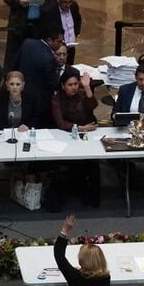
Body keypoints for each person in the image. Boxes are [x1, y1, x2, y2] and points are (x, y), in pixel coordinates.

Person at [0, 70, 43, 210]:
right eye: (11, 84)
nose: (14, 87)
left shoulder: (31, 97)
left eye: (18, 84)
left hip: (22, 137)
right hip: (1, 137)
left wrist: (28, 125)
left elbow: (37, 115)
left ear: (23, 85)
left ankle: (30, 193)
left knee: (33, 155)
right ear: (6, 85)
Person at [50, 68, 101, 208]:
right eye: (70, 85)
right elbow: (61, 123)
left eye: (76, 84)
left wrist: (87, 87)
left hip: (88, 135)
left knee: (93, 163)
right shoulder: (56, 98)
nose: (74, 87)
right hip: (67, 135)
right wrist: (81, 128)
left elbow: (93, 106)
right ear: (63, 86)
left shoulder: (83, 94)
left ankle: (93, 197)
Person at [3, 0, 59, 68]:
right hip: (20, 23)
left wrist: (47, 4)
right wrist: (19, 2)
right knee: (16, 54)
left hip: (39, 24)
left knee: (38, 53)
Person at [54, 214, 111, 286]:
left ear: (81, 261)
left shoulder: (74, 276)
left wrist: (65, 230)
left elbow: (59, 255)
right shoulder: (106, 278)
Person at [17, 26, 65, 117]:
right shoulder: (49, 59)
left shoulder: (27, 43)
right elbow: (53, 84)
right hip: (38, 101)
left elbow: (15, 65)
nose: (61, 44)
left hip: (20, 92)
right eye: (59, 41)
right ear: (49, 40)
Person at [41, 0, 82, 66]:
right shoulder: (50, 12)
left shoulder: (74, 6)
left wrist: (76, 33)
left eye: (70, 2)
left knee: (69, 67)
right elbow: (46, 32)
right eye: (65, 2)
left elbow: (78, 19)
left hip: (71, 47)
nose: (68, 5)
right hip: (58, 49)